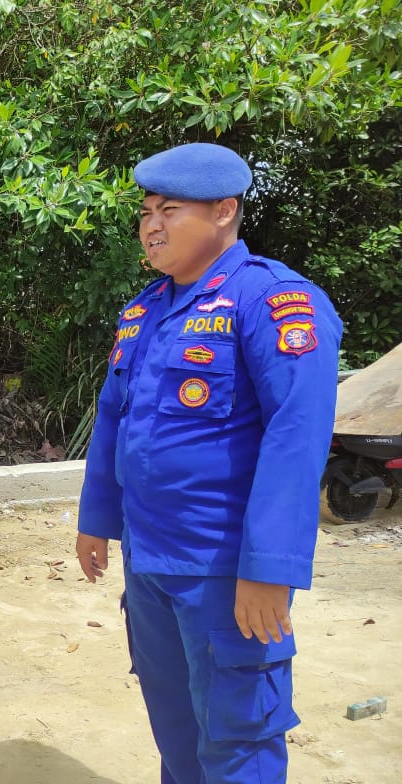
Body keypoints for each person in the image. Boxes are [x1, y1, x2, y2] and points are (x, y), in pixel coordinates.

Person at [75, 143, 342, 783]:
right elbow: (114, 420)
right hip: (151, 564)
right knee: (176, 732)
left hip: (224, 572)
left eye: (170, 209)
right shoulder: (144, 310)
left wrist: (269, 570)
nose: (152, 225)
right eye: (145, 211)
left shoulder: (273, 302)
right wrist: (96, 520)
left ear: (225, 211)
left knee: (238, 738)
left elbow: (295, 438)